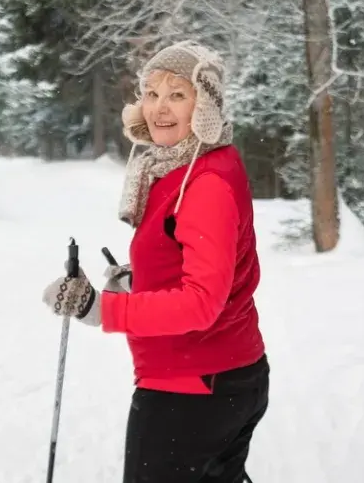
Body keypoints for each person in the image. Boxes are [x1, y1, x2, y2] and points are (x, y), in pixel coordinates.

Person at [41, 40, 269, 483]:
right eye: (151, 93)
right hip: (221, 377)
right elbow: (199, 259)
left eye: (177, 95)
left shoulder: (204, 182)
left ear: (204, 106)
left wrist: (98, 308)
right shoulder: (185, 166)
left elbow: (202, 302)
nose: (159, 109)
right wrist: (140, 280)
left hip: (193, 388)